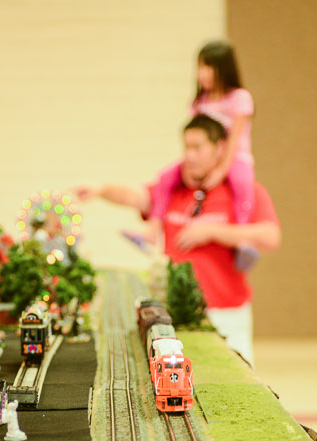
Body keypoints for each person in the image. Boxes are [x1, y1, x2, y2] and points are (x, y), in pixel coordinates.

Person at [74, 114, 280, 365]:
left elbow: (270, 236)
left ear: (219, 149)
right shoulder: (172, 192)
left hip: (226, 311)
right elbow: (134, 196)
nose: (189, 155)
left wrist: (212, 232)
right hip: (177, 311)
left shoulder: (242, 191)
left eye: (197, 147)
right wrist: (101, 189)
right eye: (186, 147)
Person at [147, 41, 258, 271]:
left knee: (242, 182)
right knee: (165, 177)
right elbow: (194, 134)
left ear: (223, 69)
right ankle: (154, 226)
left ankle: (243, 239)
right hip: (206, 160)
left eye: (208, 68)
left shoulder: (239, 98)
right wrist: (190, 166)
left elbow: (234, 139)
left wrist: (221, 170)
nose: (202, 74)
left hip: (234, 157)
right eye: (200, 68)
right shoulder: (201, 101)